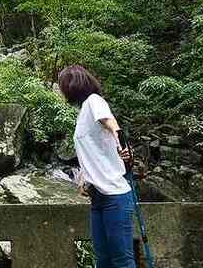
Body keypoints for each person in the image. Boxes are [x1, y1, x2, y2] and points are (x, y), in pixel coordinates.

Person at [58, 65, 135, 268]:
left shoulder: (94, 101)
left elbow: (109, 122)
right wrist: (84, 177)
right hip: (97, 197)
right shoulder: (83, 111)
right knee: (102, 260)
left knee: (122, 260)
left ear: (72, 84)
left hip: (115, 195)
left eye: (62, 85)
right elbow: (91, 151)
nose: (61, 90)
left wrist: (121, 141)